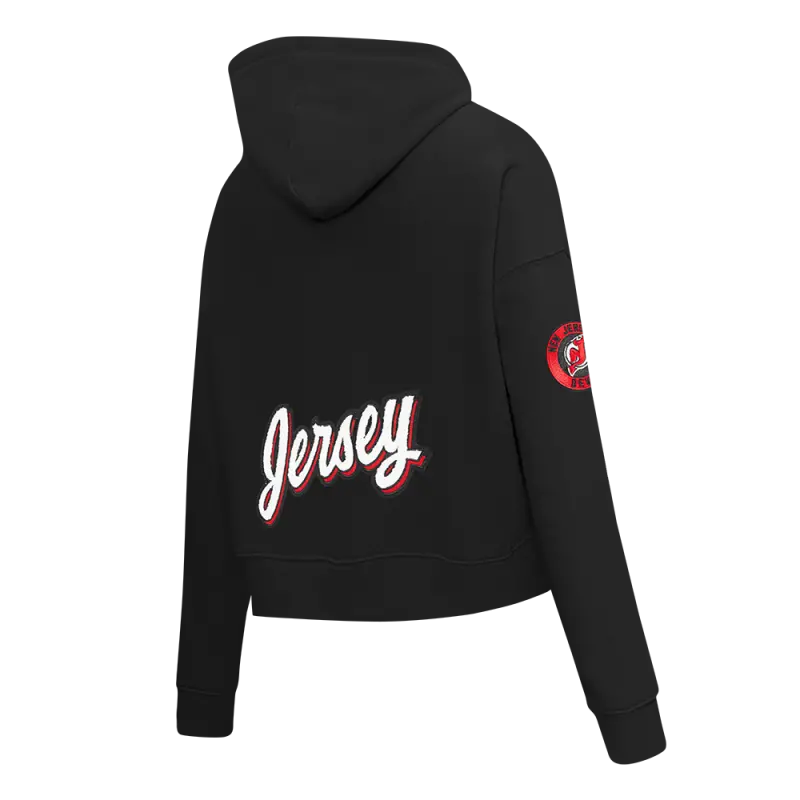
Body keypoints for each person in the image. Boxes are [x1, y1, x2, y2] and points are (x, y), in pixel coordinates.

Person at [179, 33, 667, 764]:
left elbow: (207, 463)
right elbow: (565, 454)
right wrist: (630, 710)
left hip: (274, 658)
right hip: (490, 645)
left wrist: (202, 698)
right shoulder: (498, 166)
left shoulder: (233, 199)